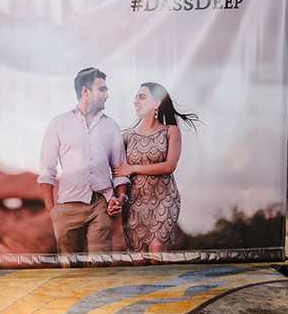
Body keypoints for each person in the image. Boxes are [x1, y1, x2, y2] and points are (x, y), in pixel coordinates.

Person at [37, 67, 130, 267]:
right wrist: (52, 211)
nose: (107, 95)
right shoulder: (58, 124)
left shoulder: (111, 126)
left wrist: (121, 198)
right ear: (85, 91)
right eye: (102, 89)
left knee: (101, 266)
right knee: (70, 270)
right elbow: (47, 171)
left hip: (101, 205)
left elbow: (120, 171)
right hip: (67, 206)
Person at [112, 82, 200, 264]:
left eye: (142, 97)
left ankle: (160, 283)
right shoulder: (126, 136)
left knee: (156, 255)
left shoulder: (171, 131)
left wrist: (133, 168)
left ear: (157, 103)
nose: (136, 101)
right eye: (135, 97)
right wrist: (119, 197)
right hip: (135, 202)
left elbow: (169, 166)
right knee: (138, 261)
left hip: (163, 200)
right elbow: (119, 171)